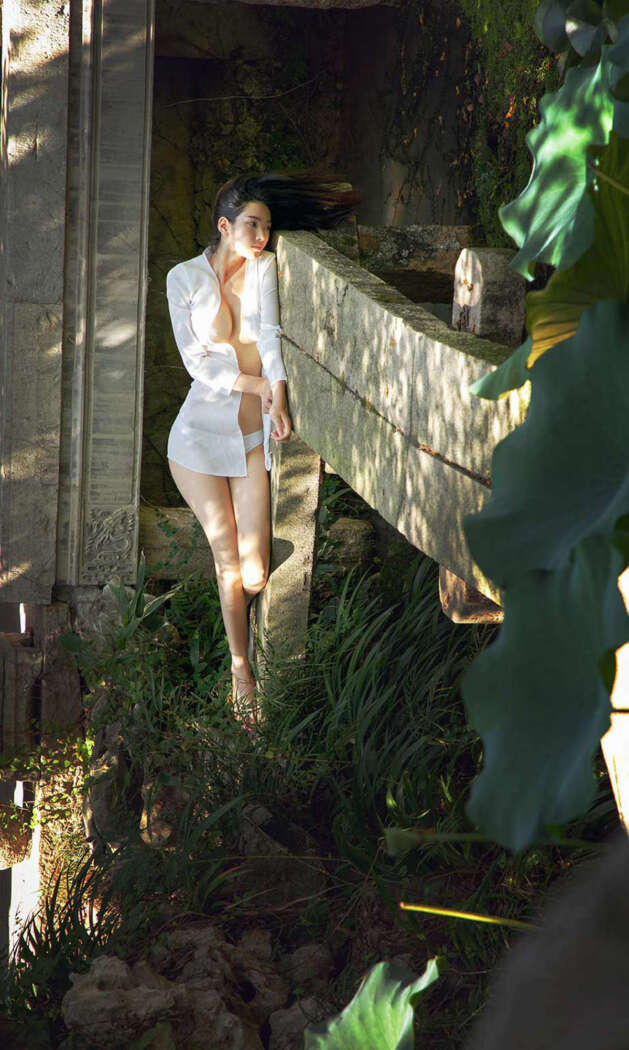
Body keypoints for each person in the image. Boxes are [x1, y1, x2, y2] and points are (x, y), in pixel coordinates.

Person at [165, 171, 359, 724]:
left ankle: (236, 617)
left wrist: (278, 397)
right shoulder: (183, 278)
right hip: (196, 443)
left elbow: (270, 338)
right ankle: (240, 667)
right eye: (253, 224)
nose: (262, 236)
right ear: (225, 226)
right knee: (228, 561)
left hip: (249, 439)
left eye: (267, 227)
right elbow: (196, 363)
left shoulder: (264, 267)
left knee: (254, 573)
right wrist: (257, 388)